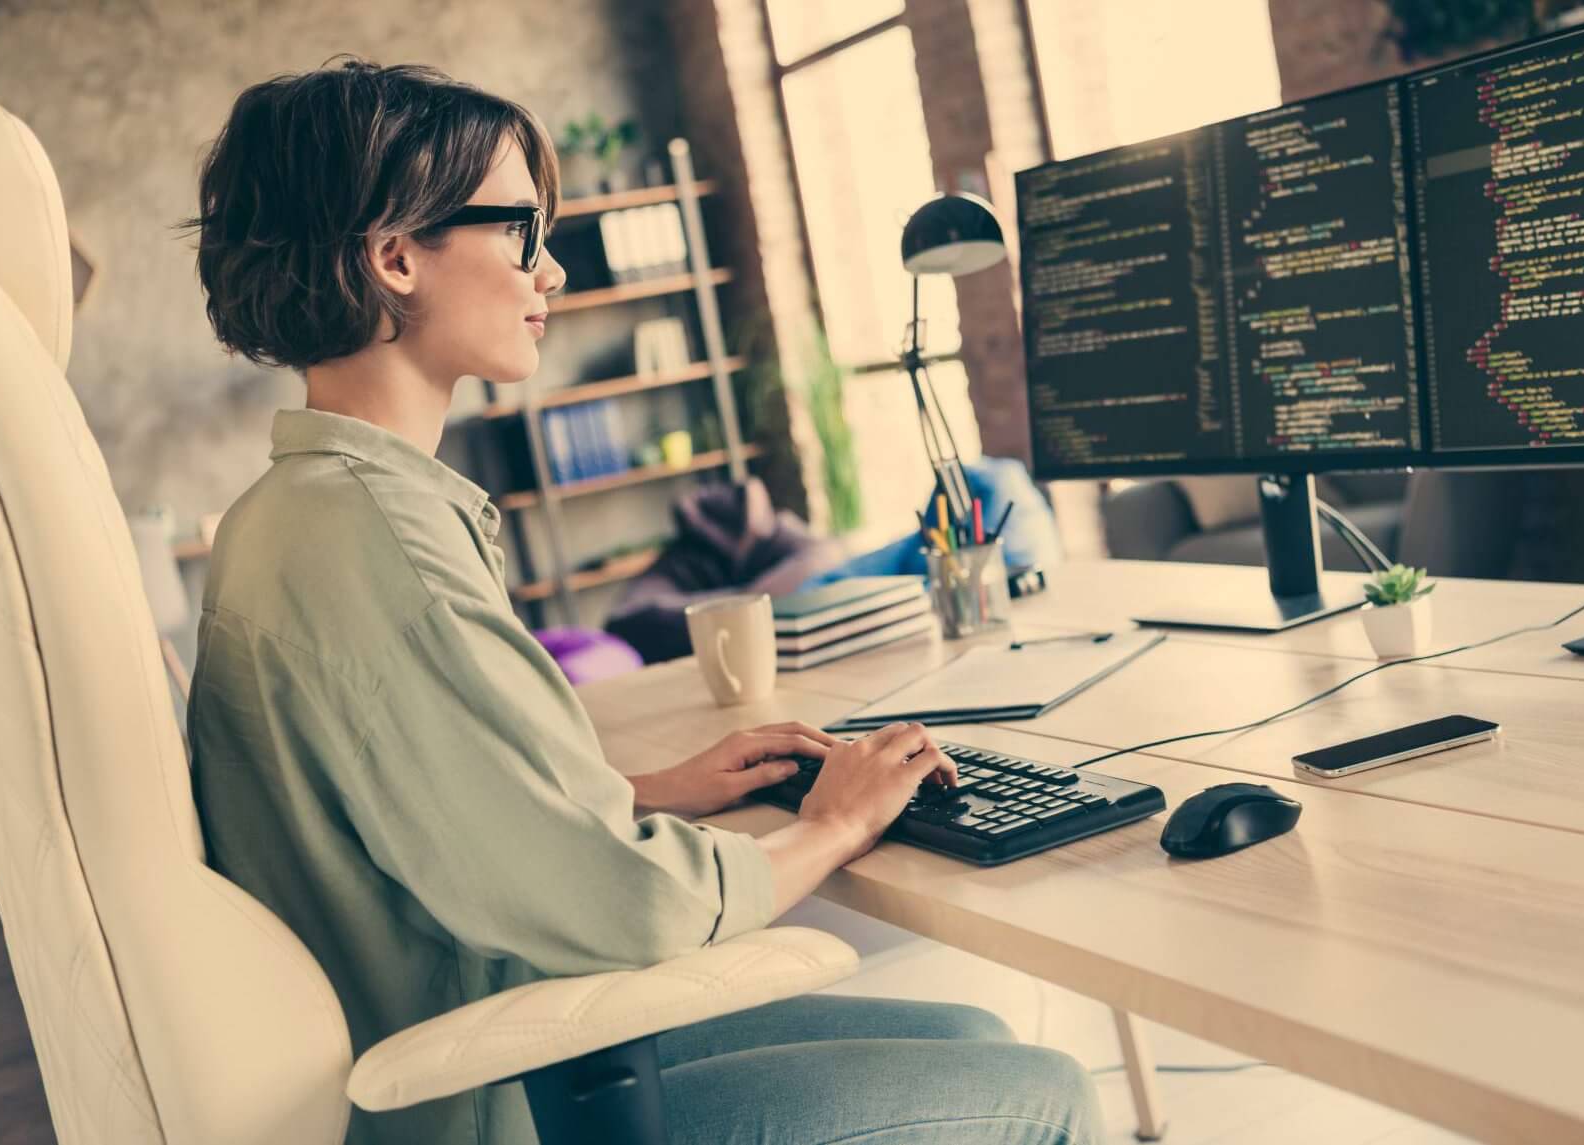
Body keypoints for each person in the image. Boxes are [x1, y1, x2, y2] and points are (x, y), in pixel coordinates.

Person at [181, 59, 1101, 1144]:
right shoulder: (377, 537)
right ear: (394, 257)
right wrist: (833, 822)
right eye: (520, 230)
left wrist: (641, 791)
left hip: (485, 1030)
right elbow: (623, 907)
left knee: (975, 1040)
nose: (550, 271)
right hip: (485, 1094)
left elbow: (422, 809)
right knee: (1047, 1094)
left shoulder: (298, 510)